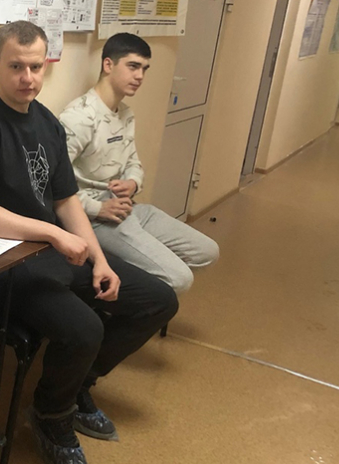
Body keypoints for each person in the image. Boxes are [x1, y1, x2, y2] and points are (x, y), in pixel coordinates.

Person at [0, 21, 178, 464]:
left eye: (36, 67)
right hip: (5, 266)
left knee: (156, 299)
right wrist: (51, 235)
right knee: (85, 329)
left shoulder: (46, 122)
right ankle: (52, 416)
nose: (27, 78)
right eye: (16, 67)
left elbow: (67, 200)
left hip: (53, 253)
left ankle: (76, 387)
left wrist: (99, 259)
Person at [58, 33, 219, 294]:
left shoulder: (125, 114)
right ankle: (117, 296)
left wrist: (132, 183)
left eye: (144, 69)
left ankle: (138, 277)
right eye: (133, 66)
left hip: (126, 207)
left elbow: (134, 162)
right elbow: (53, 184)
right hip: (94, 217)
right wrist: (98, 208)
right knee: (179, 279)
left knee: (207, 251)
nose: (140, 76)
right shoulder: (79, 117)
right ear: (108, 65)